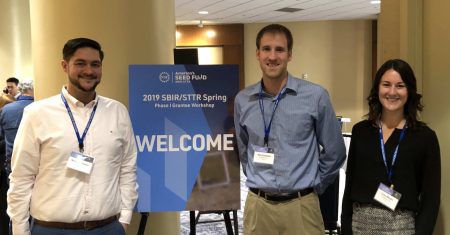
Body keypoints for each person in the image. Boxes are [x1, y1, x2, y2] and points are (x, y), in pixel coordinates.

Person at [7, 38, 138, 235]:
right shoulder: (37, 114)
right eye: (80, 63)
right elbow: (22, 178)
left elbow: (127, 168)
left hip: (108, 228)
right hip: (51, 229)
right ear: (64, 65)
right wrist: (20, 230)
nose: (89, 70)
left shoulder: (118, 111)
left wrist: (125, 218)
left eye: (95, 64)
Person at [234, 24, 346, 235]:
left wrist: (313, 187)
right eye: (266, 49)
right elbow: (243, 150)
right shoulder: (243, 100)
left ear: (290, 55)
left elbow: (335, 151)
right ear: (257, 54)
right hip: (258, 207)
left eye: (280, 49)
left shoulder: (315, 96)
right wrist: (260, 181)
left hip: (301, 208)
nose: (272, 56)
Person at [341, 59, 441, 235]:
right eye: (386, 84)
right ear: (377, 89)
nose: (392, 92)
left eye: (400, 86)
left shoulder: (425, 137)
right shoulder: (361, 131)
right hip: (360, 226)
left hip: (402, 228)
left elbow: (430, 199)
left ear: (409, 90)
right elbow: (349, 188)